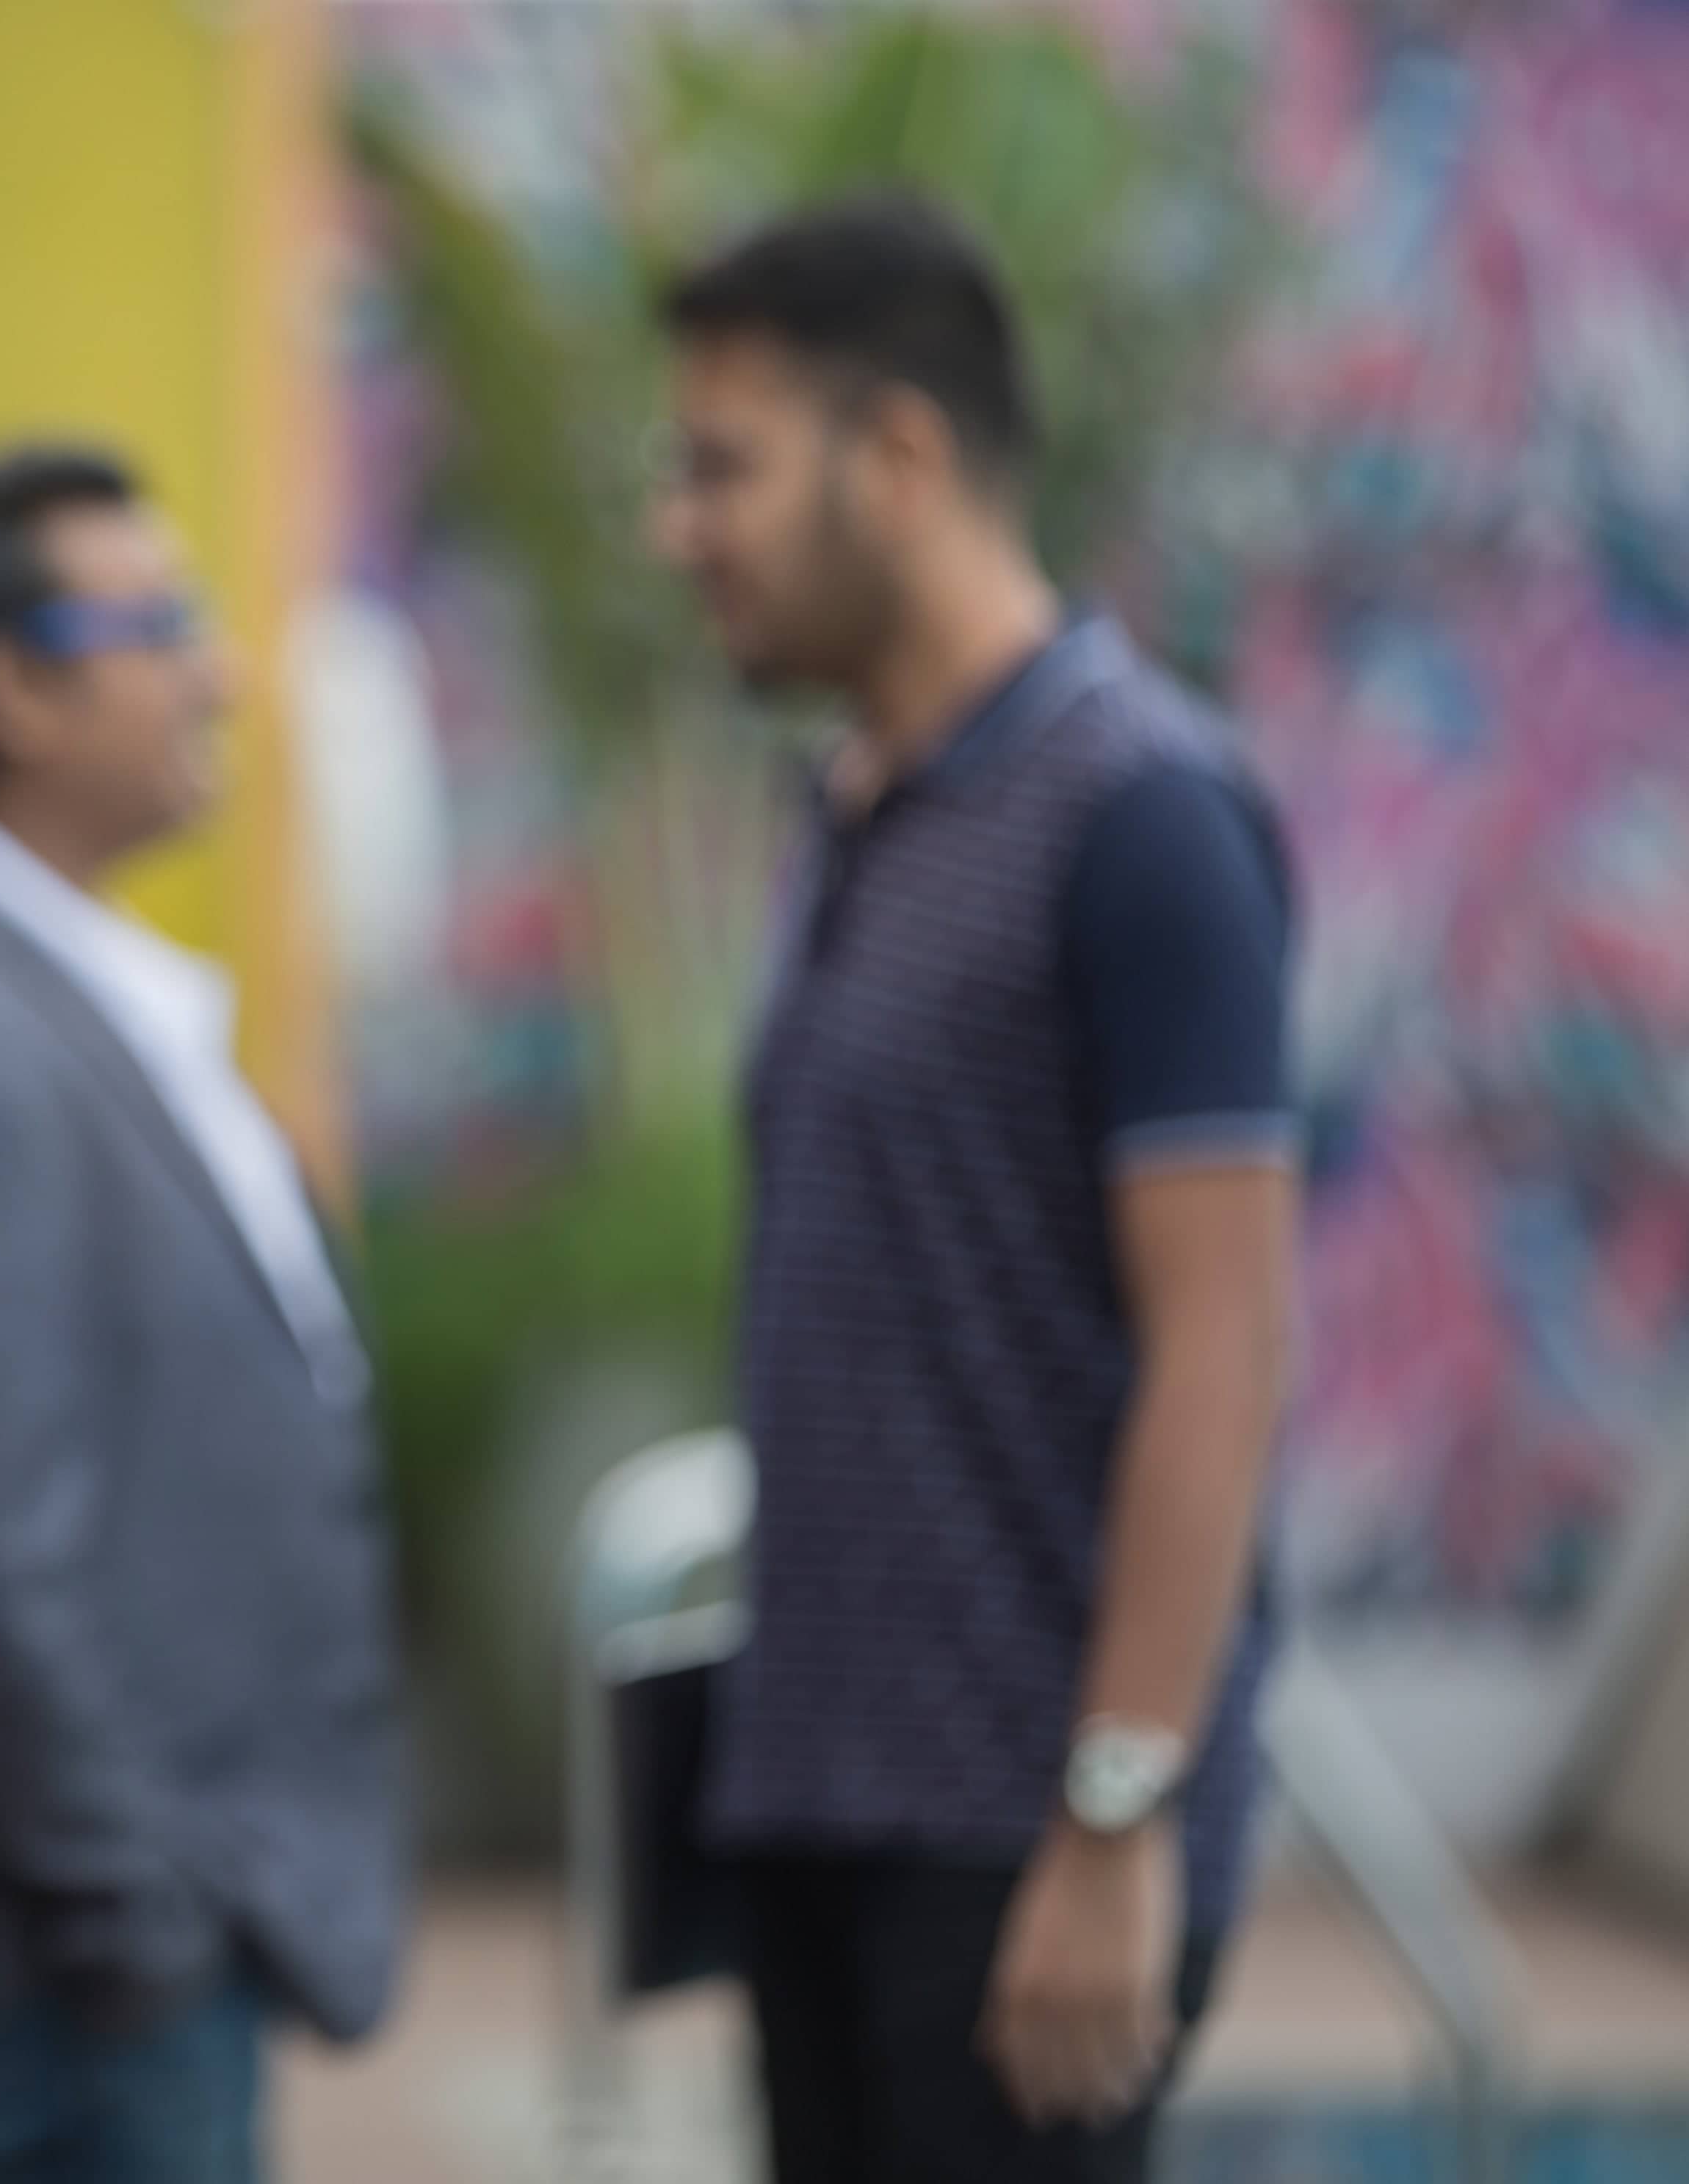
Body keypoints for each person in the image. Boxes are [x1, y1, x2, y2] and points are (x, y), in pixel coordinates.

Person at [648, 197, 1299, 2183]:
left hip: (1018, 1825)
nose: (682, 528)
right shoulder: (854, 803)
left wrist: (1116, 1820)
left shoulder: (1138, 810)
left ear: (902, 458)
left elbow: (1225, 1345)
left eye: (721, 466)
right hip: (818, 1795)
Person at [0, 447, 407, 2184]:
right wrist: (142, 1923)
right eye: (165, 622)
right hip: (58, 1993)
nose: (219, 669)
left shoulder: (37, 992)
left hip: (105, 1968)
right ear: (10, 685)